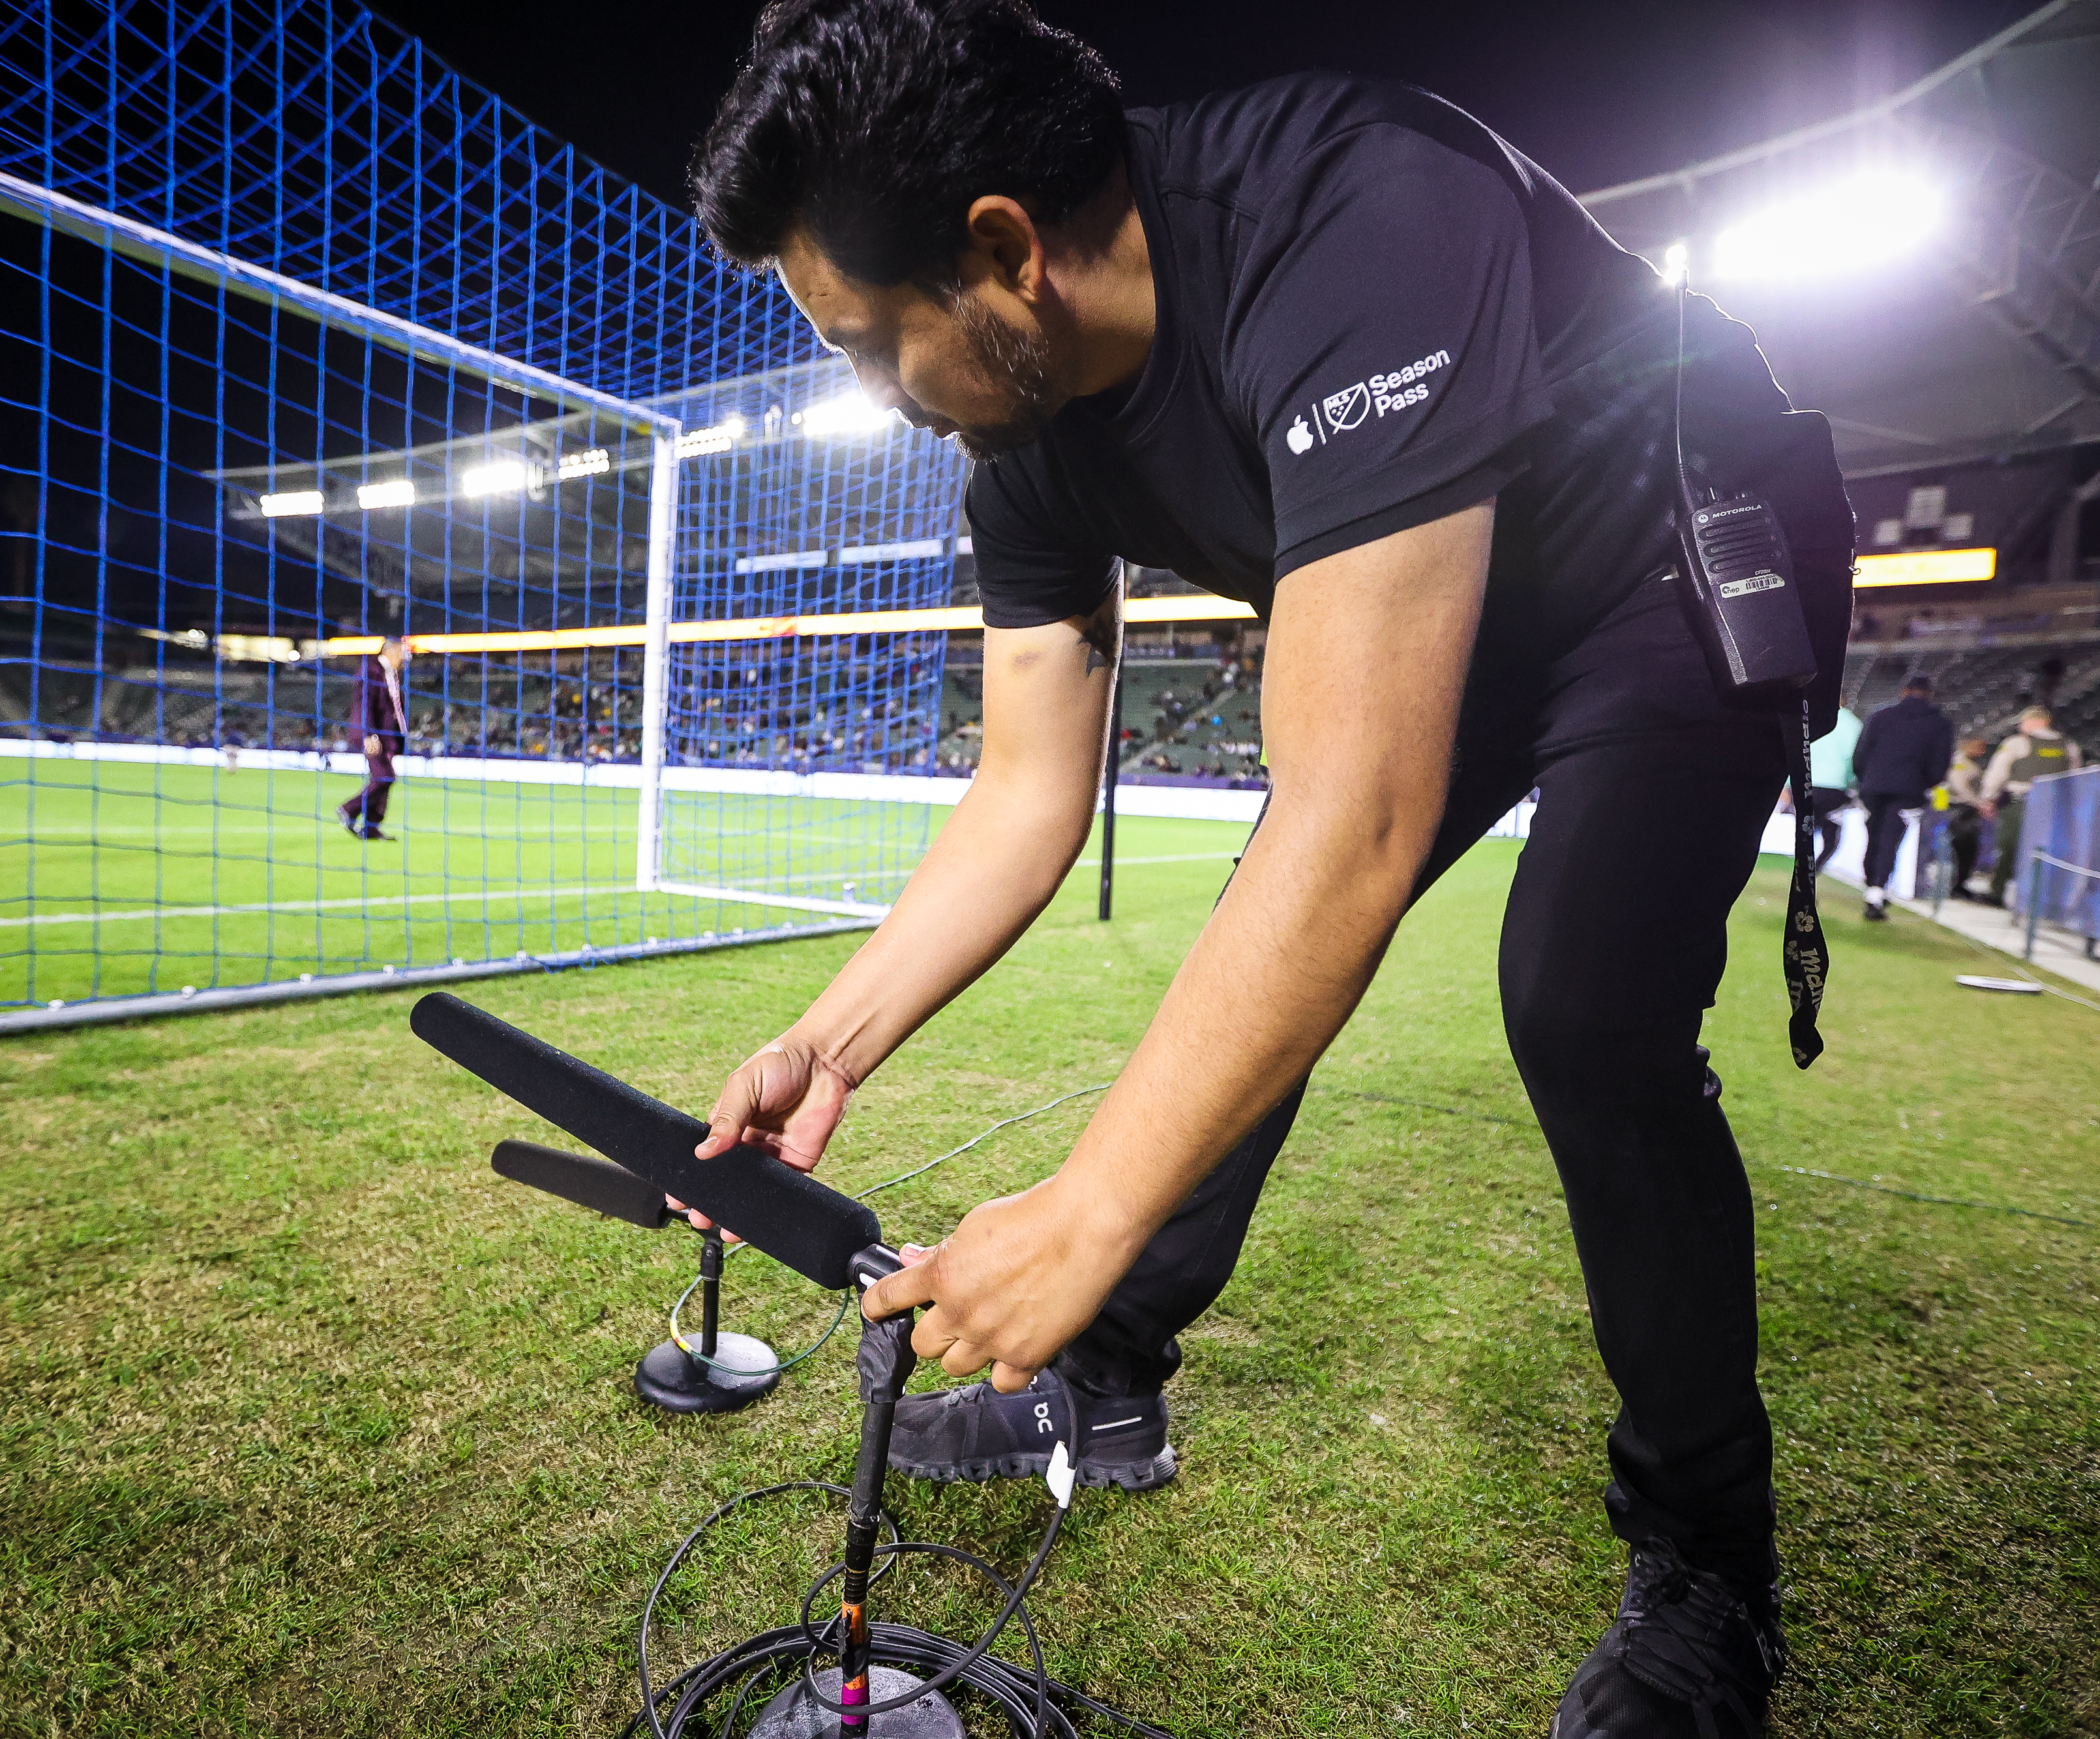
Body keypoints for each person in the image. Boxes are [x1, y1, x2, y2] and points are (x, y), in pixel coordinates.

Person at [687, 6, 1853, 1732]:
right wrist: (830, 1040)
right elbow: (1025, 793)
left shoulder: (1361, 207)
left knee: (1585, 1004)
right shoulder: (1020, 435)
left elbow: (1354, 817)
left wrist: (1083, 1206)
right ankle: (1111, 1385)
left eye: (872, 345)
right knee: (1259, 944)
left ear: (1002, 252)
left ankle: (1708, 1562)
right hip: (1435, 620)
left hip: (1666, 561)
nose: (881, 396)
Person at [1849, 674, 1953, 921]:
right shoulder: (1939, 723)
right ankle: (1876, 891)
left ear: (1904, 691)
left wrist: (1866, 780)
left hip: (1874, 787)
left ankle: (1872, 884)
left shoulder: (1881, 716)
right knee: (1890, 840)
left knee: (1874, 837)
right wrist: (1923, 784)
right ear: (1930, 693)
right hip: (1908, 791)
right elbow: (1939, 765)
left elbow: (1861, 754)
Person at [1980, 705, 2081, 906]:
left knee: (2009, 847)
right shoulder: (2068, 745)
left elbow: (1998, 773)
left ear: (2037, 721)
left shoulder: (2018, 743)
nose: (2020, 727)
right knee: (2045, 852)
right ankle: (2039, 898)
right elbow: (2075, 776)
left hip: (2021, 803)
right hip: (2054, 806)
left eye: (2023, 722)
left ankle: (1998, 891)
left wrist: (1988, 798)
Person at [339, 636, 408, 840]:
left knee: (386, 779)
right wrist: (369, 735)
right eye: (402, 652)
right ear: (391, 651)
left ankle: (371, 828)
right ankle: (348, 810)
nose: (406, 657)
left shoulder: (392, 674)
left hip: (388, 737)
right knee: (384, 778)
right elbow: (364, 706)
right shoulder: (370, 671)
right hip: (374, 736)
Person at [1805, 692, 1861, 874]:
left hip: (1806, 783)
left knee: (1805, 832)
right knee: (1831, 839)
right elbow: (1856, 759)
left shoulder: (1810, 718)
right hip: (1835, 789)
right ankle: (1814, 873)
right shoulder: (1853, 724)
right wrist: (1853, 785)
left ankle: (1801, 872)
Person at [1942, 737, 1987, 899]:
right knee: (1964, 847)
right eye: (1980, 748)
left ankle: (1958, 883)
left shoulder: (1957, 761)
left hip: (1957, 807)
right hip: (1961, 809)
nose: (1983, 753)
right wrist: (1980, 803)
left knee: (1963, 848)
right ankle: (1956, 884)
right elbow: (1960, 787)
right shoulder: (1961, 763)